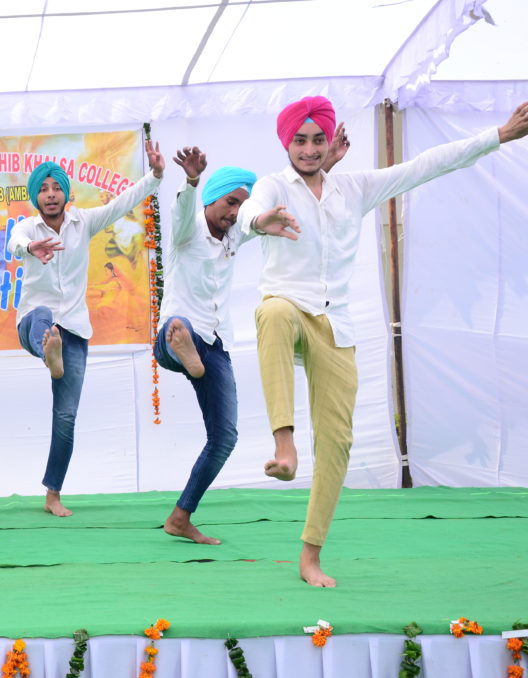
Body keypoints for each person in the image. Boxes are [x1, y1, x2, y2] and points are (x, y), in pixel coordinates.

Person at [238, 96, 528, 587]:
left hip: (337, 326)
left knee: (339, 442)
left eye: (317, 140)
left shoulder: (353, 188)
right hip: (290, 309)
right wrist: (257, 221)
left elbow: (425, 166)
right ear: (286, 142)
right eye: (300, 140)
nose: (309, 149)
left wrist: (497, 135)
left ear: (330, 142)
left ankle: (311, 555)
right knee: (272, 310)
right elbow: (252, 205)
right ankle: (284, 445)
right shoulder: (273, 186)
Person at [154, 138, 348, 545]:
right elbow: (182, 210)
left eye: (242, 204)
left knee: (225, 437)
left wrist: (323, 165)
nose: (234, 212)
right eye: (229, 202)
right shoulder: (187, 233)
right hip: (176, 333)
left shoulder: (232, 237)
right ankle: (182, 350)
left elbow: (277, 206)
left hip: (214, 346)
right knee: (177, 330)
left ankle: (179, 517)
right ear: (210, 199)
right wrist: (191, 180)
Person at [7, 142, 164, 517]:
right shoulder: (27, 227)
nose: (50, 195)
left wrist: (155, 176)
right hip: (33, 320)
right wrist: (32, 247)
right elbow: (13, 244)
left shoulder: (84, 222)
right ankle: (48, 350)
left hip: (75, 328)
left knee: (66, 415)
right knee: (44, 315)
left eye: (56, 188)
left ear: (66, 193)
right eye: (43, 190)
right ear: (35, 197)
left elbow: (122, 203)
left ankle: (53, 495)